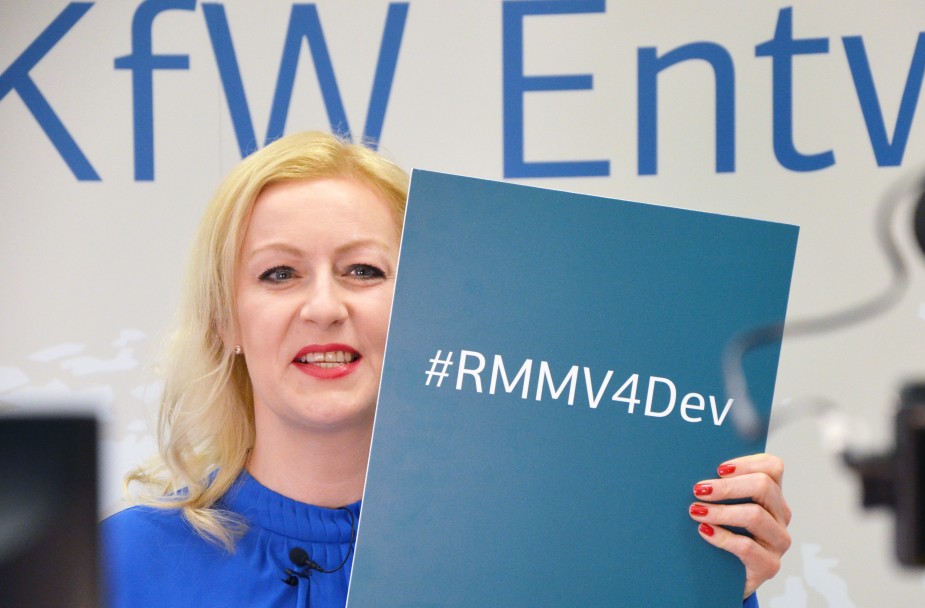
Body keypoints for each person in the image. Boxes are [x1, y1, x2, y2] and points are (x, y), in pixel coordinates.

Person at [101, 131, 792, 607]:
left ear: (427, 299)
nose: (323, 306)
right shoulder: (118, 565)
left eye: (363, 270)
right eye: (279, 273)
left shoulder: (544, 551)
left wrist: (695, 586)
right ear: (226, 319)